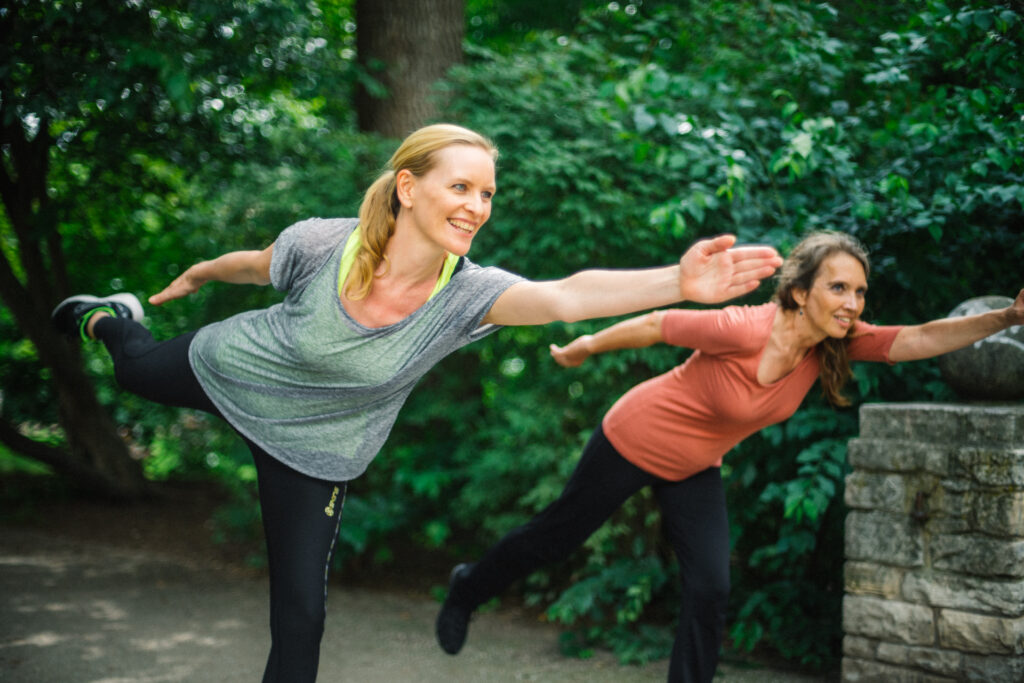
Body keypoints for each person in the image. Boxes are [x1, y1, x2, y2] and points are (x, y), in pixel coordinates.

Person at [50, 123, 783, 683]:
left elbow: (567, 296)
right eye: (461, 186)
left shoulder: (468, 297)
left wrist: (677, 284)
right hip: (237, 368)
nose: (477, 206)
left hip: (315, 448)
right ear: (407, 186)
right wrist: (201, 275)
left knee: (302, 616)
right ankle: (110, 316)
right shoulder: (322, 243)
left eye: (488, 193)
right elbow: (253, 264)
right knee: (135, 371)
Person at [435, 230, 1024, 683]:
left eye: (860, 290)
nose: (853, 301)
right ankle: (469, 587)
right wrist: (586, 345)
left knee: (712, 586)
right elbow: (660, 324)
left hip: (696, 465)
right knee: (554, 539)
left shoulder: (835, 346)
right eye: (838, 287)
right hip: (634, 436)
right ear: (800, 291)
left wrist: (1006, 318)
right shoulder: (744, 329)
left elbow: (919, 338)